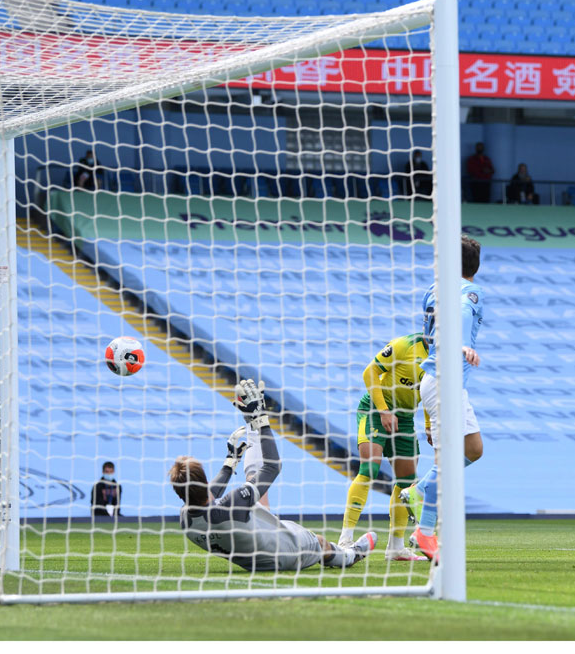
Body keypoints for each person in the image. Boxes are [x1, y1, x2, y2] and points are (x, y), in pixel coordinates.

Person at [169, 379, 376, 572]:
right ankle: (350, 555)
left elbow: (207, 494)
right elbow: (272, 467)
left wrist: (229, 464)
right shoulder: (230, 506)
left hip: (253, 558)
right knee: (319, 542)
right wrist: (261, 420)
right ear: (204, 482)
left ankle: (251, 429)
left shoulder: (185, 519)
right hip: (286, 552)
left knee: (256, 501)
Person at [401, 236, 484, 562]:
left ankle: (418, 490)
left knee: (473, 449)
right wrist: (462, 345)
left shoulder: (433, 291)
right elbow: (463, 314)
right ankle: (424, 530)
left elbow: (428, 333)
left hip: (443, 382)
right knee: (446, 463)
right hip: (445, 381)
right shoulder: (470, 293)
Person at [339, 332, 430, 561]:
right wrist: (383, 410)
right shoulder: (404, 345)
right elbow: (370, 372)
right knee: (369, 468)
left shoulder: (443, 357)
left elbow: (431, 393)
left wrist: (429, 424)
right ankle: (345, 538)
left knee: (406, 482)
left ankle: (395, 548)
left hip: (406, 418)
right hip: (376, 409)